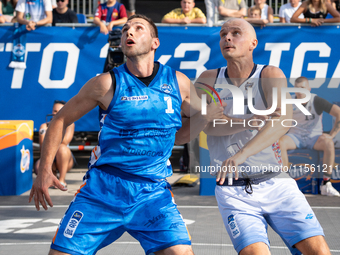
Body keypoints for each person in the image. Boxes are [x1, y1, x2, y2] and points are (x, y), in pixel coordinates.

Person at [29, 14, 224, 255]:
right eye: (125, 30)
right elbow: (60, 119)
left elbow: (182, 136)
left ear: (155, 42)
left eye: (138, 28)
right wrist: (45, 169)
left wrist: (208, 115)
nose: (129, 32)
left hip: (152, 192)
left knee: (181, 253)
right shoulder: (105, 84)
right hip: (104, 191)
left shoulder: (178, 83)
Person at [194, 18, 332, 254]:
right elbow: (207, 127)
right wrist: (245, 122)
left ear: (253, 43)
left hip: (276, 182)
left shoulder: (270, 74)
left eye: (236, 33)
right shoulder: (208, 79)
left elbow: (282, 122)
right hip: (233, 190)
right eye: (223, 34)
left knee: (318, 251)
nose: (227, 37)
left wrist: (241, 154)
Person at [279, 77, 340, 197]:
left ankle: (326, 184)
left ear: (309, 89)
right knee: (280, 142)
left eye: (303, 88)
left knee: (328, 143)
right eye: (297, 88)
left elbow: (338, 113)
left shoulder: (316, 100)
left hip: (314, 137)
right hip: (295, 136)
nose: (300, 91)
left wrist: (331, 135)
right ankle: (286, 184)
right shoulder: (289, 101)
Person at [34, 100, 75, 188]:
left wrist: (52, 132)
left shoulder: (70, 124)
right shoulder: (44, 126)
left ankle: (62, 179)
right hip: (49, 158)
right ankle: (50, 177)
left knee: (62, 148)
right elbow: (42, 148)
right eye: (55, 111)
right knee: (38, 166)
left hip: (64, 159)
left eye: (60, 111)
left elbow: (65, 141)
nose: (56, 113)